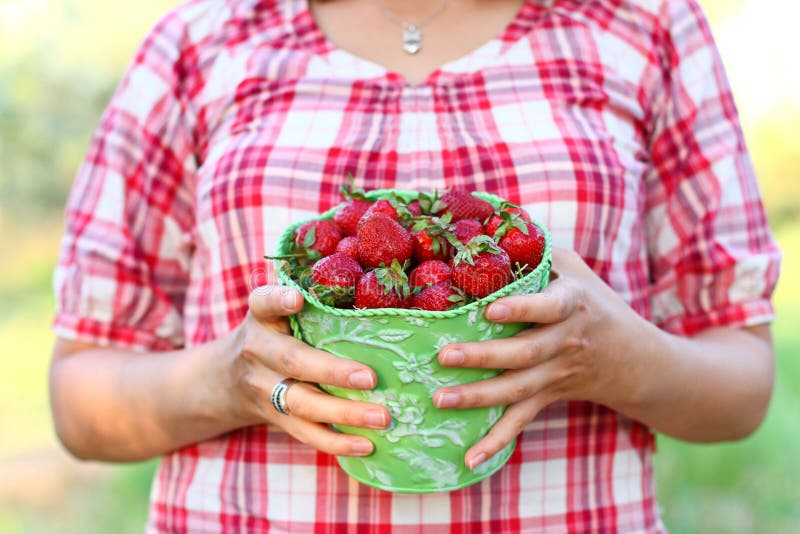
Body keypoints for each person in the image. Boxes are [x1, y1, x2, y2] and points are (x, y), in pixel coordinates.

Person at [49, 0, 781, 531]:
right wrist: (228, 378)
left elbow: (741, 381)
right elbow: (80, 400)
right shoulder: (200, 40)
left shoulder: (643, 26)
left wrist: (621, 359)